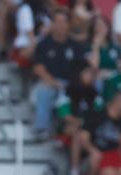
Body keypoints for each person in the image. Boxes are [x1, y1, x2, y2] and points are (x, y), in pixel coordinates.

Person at [32, 8, 88, 140]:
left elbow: (83, 68)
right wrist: (55, 83)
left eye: (64, 22)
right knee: (44, 91)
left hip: (72, 85)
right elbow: (38, 69)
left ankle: (84, 129)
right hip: (51, 83)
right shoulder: (44, 44)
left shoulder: (75, 45)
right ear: (52, 24)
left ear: (69, 24)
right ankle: (41, 129)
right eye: (57, 21)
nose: (61, 25)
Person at [88, 16, 121, 80]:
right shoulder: (88, 47)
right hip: (97, 80)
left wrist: (111, 74)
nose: (101, 29)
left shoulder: (114, 47)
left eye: (104, 26)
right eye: (98, 26)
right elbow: (94, 67)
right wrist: (95, 47)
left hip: (114, 79)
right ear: (93, 29)